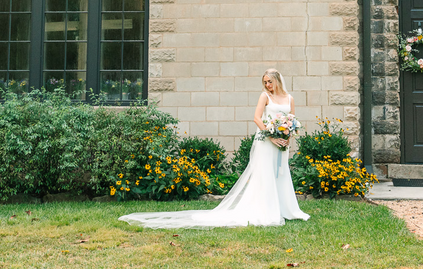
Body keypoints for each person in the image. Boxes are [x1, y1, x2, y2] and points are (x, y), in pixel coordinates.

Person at [118, 69, 310, 228]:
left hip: (282, 143)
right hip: (267, 142)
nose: (268, 85)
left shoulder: (289, 98)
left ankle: (286, 209)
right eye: (265, 82)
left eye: (270, 81)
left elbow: (291, 120)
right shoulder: (265, 96)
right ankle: (268, 210)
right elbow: (257, 118)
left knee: (282, 174)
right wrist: (271, 136)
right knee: (267, 174)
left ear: (277, 80)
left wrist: (287, 137)